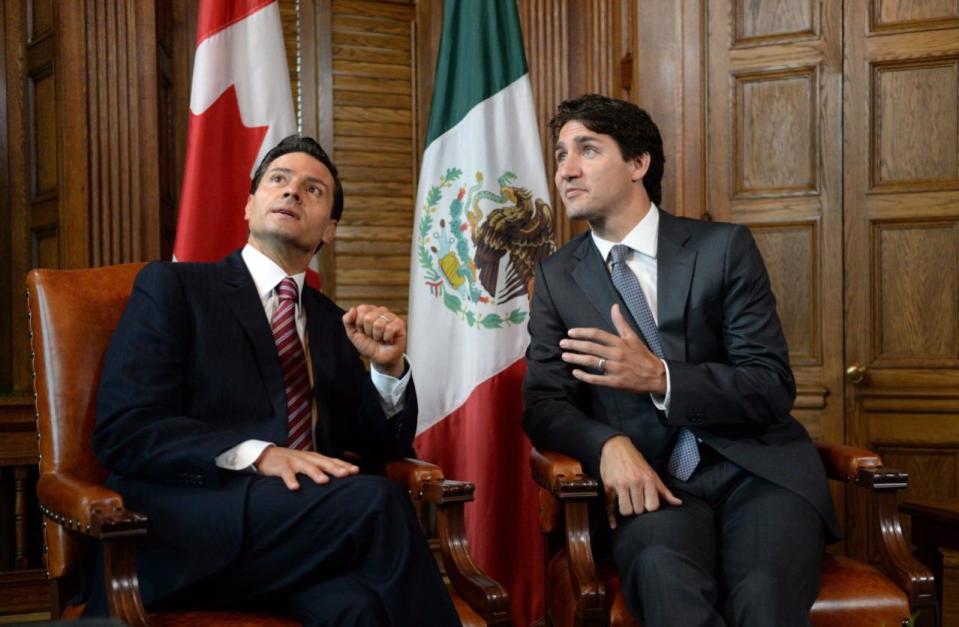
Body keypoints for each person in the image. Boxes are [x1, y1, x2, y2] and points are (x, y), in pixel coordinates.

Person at [89, 135, 459, 626]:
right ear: (249, 205)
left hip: (299, 539)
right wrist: (259, 454)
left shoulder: (333, 323)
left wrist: (387, 370)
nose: (291, 193)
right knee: (379, 503)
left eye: (313, 189)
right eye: (278, 180)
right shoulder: (175, 288)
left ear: (329, 229)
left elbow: (378, 451)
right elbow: (124, 429)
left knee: (359, 609)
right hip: (193, 528)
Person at [523, 94, 840, 626]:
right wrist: (608, 445)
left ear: (637, 164)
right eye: (559, 155)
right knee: (666, 584)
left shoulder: (723, 249)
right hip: (653, 485)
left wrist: (661, 377)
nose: (565, 170)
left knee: (762, 596)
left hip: (756, 470)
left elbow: (769, 384)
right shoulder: (557, 278)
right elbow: (543, 405)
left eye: (587, 151)